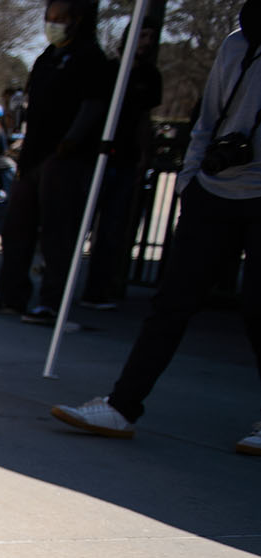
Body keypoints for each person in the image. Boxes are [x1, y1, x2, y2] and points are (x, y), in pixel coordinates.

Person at [50, 1, 261, 457]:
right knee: (170, 305)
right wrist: (191, 179)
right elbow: (206, 117)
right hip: (213, 191)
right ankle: (122, 407)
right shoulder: (235, 44)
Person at [0, 0, 114, 324]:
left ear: (77, 20)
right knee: (16, 229)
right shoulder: (45, 59)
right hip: (33, 154)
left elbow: (93, 106)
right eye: (49, 18)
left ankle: (52, 302)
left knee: (57, 233)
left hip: (65, 157)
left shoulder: (90, 58)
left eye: (60, 18)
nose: (53, 24)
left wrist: (72, 141)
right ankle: (11, 294)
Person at [80, 23, 163, 310]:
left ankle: (98, 288)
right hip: (97, 155)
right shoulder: (108, 69)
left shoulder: (149, 77)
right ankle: (59, 287)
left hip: (125, 159)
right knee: (80, 223)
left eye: (150, 37)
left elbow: (144, 119)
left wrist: (144, 154)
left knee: (113, 228)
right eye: (142, 35)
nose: (146, 42)